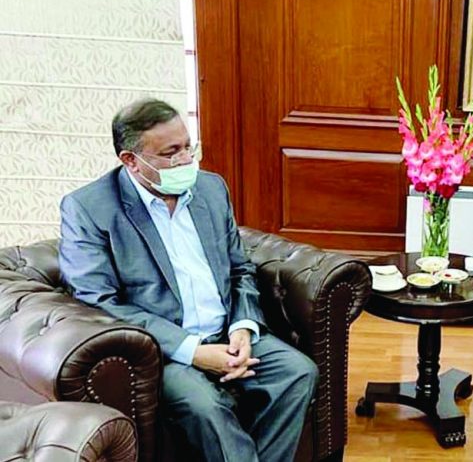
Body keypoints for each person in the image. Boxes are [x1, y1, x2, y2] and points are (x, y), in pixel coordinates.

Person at [59, 98, 317, 462]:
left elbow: (239, 268)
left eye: (187, 147)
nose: (185, 161)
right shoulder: (89, 209)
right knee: (205, 407)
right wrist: (192, 351)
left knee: (297, 372)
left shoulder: (210, 190)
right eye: (170, 153)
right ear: (131, 160)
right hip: (165, 350)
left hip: (228, 332)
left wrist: (243, 327)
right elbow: (98, 300)